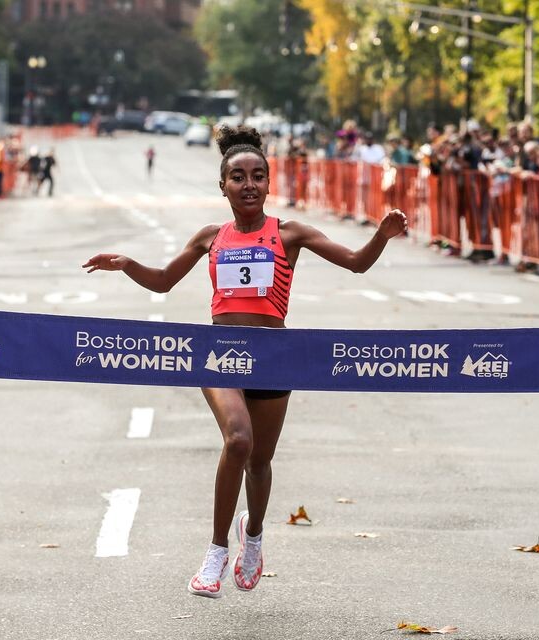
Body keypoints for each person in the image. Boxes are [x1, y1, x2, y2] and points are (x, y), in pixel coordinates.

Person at [82, 125, 407, 599]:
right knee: (238, 440)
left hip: (273, 359)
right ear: (223, 186)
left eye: (257, 176)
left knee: (260, 461)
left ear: (269, 184)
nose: (248, 184)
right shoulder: (210, 237)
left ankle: (252, 535)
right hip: (220, 355)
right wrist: (127, 264)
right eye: (238, 177)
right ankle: (215, 552)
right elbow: (164, 281)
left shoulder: (290, 233)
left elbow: (356, 262)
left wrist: (382, 235)